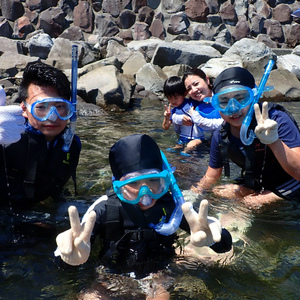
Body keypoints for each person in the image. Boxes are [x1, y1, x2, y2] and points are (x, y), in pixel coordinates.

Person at [55, 134, 232, 299]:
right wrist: (69, 261)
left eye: (153, 181)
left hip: (159, 275)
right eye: (133, 184)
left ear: (165, 180)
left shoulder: (173, 206)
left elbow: (222, 246)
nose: (145, 195)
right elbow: (67, 255)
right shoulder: (104, 208)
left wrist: (215, 238)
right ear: (118, 185)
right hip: (109, 275)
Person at [192, 66, 300, 209]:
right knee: (219, 192)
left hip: (292, 180)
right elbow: (211, 176)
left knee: (249, 203)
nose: (233, 108)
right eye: (223, 101)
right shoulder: (221, 135)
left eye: (241, 98)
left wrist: (274, 141)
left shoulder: (276, 120)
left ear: (254, 96)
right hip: (258, 182)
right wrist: (194, 192)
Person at [0, 61, 81, 210]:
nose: (51, 117)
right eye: (41, 107)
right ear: (24, 108)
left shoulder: (71, 143)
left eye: (60, 107)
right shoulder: (7, 138)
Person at [162, 76, 223, 153]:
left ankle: (185, 153)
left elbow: (207, 103)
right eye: (169, 98)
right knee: (175, 149)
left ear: (184, 93)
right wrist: (166, 118)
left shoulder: (193, 103)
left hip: (199, 138)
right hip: (183, 138)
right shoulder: (173, 111)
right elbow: (165, 127)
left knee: (191, 145)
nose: (172, 101)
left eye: (176, 98)